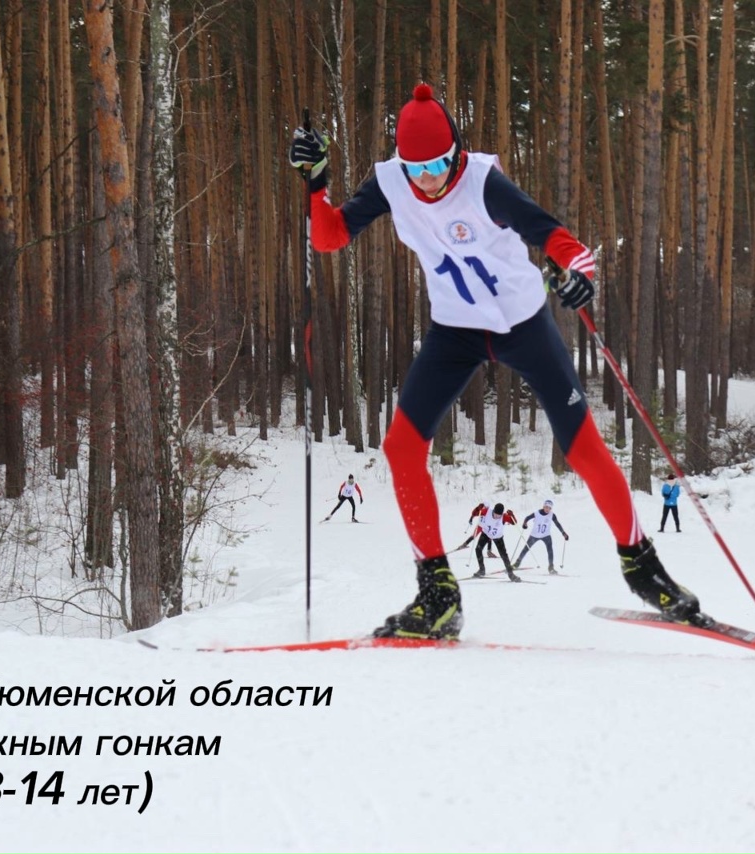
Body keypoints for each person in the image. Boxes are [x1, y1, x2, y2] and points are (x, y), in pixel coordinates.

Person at [289, 83, 709, 639]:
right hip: (454, 331)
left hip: (522, 326)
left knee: (583, 447)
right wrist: (316, 182)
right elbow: (329, 237)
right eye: (416, 168)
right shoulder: (391, 182)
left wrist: (578, 272)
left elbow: (556, 238)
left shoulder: (483, 182)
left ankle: (643, 569)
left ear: (456, 153)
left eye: (438, 164)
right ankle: (438, 593)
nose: (428, 179)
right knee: (401, 447)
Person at [514, 499, 569, 574]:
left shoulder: (552, 515)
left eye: (549, 508)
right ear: (543, 506)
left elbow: (557, 524)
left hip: (546, 535)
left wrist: (563, 533)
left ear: (551, 508)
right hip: (534, 535)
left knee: (550, 550)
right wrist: (525, 524)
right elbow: (527, 518)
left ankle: (551, 568)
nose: (547, 509)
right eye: (546, 507)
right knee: (526, 549)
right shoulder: (537, 513)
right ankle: (517, 564)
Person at [467, 503, 520, 581]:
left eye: (499, 515)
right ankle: (482, 570)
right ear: (493, 511)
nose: (497, 517)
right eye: (496, 514)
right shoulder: (486, 511)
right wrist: (478, 508)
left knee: (504, 555)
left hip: (498, 537)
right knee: (478, 549)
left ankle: (511, 574)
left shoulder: (504, 516)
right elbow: (474, 513)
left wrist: (512, 515)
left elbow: (514, 522)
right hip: (486, 533)